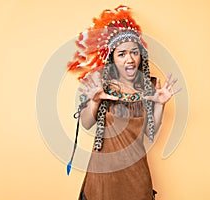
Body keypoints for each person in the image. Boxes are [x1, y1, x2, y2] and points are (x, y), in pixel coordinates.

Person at [67, 5, 181, 200]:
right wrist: (94, 101)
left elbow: (150, 133)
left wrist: (160, 104)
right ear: (112, 57)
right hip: (102, 175)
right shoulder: (101, 83)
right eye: (122, 54)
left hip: (135, 171)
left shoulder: (150, 86)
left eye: (134, 52)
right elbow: (86, 123)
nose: (130, 59)